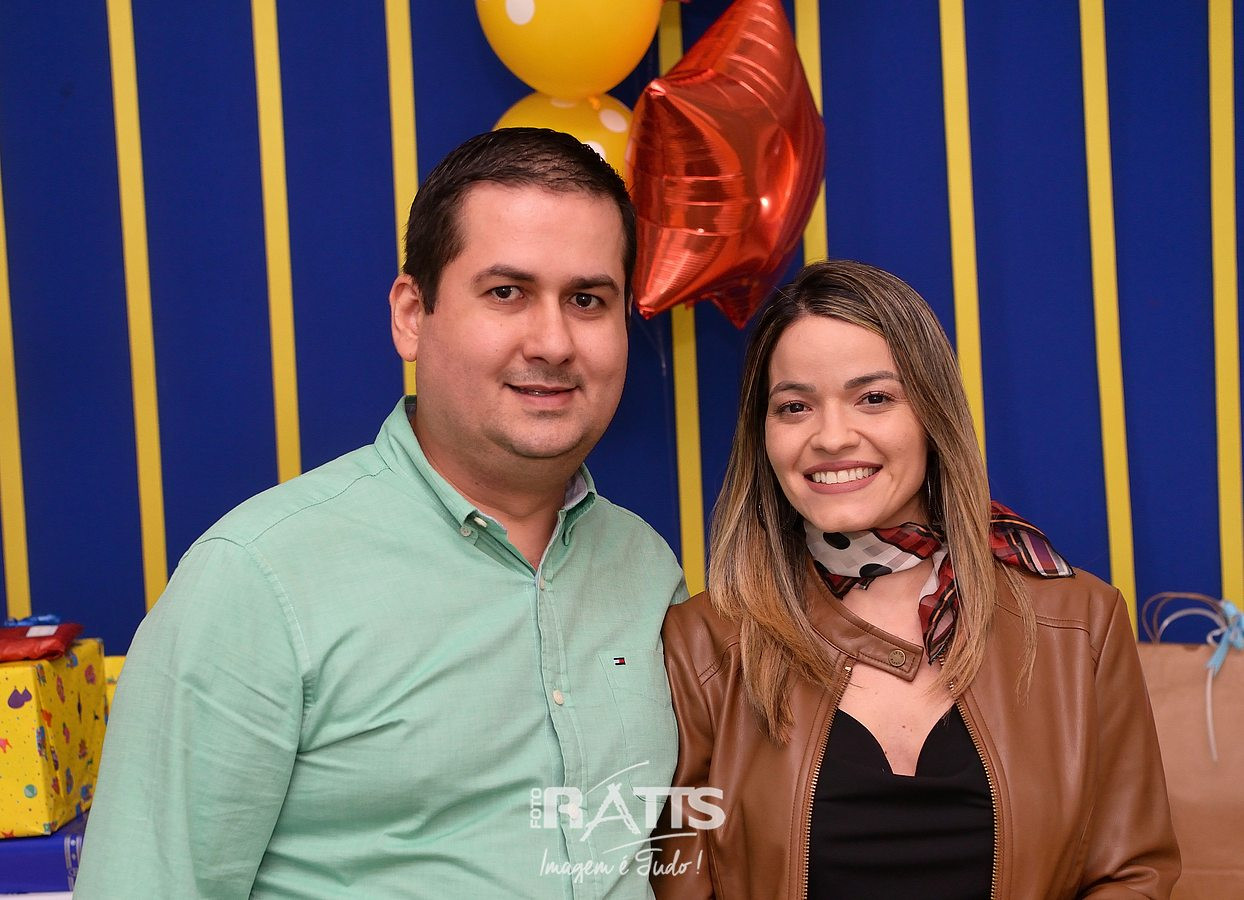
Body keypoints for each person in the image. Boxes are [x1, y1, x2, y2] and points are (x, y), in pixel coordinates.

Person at [75, 127, 687, 899]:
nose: (554, 342)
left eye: (587, 300)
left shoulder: (646, 569)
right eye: (506, 293)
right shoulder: (256, 580)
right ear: (411, 314)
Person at [649, 260, 1179, 899]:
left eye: (874, 398)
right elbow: (679, 885)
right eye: (794, 407)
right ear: (763, 436)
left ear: (932, 414)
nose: (832, 436)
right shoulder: (704, 644)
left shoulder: (1080, 623)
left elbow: (1131, 875)